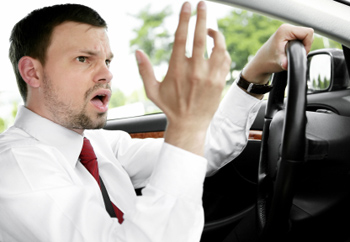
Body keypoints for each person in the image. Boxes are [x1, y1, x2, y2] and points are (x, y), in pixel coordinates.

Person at [0, 1, 313, 242]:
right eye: (84, 59)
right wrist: (186, 121)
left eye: (107, 61)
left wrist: (254, 74)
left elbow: (203, 150)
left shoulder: (95, 143)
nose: (107, 73)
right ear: (33, 73)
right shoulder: (16, 170)